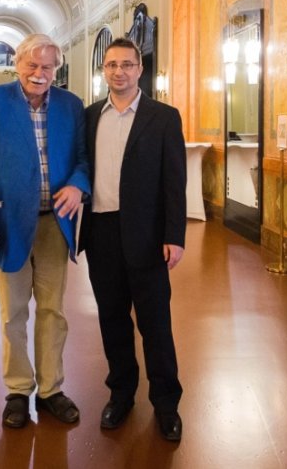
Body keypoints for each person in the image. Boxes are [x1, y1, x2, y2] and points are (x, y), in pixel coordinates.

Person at [0, 33, 90, 429]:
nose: (39, 73)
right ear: (17, 64)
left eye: (47, 66)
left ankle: (51, 390)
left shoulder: (71, 105)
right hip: (8, 225)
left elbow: (84, 159)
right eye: (32, 65)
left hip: (54, 224)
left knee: (53, 311)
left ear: (56, 69)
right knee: (12, 313)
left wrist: (78, 185)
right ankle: (18, 390)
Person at [79, 37, 187, 442]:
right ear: (103, 70)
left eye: (127, 64)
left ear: (140, 70)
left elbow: (175, 182)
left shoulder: (164, 117)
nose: (119, 71)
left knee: (155, 323)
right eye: (111, 65)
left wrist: (174, 235)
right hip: (101, 232)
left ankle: (166, 403)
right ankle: (121, 394)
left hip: (147, 235)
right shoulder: (90, 117)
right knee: (112, 319)